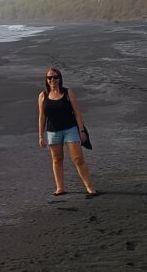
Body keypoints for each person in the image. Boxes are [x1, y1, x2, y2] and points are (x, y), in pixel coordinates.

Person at [38, 67, 98, 197]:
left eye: (55, 77)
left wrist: (81, 130)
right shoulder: (43, 96)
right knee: (57, 159)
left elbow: (77, 113)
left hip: (70, 129)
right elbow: (42, 117)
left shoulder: (68, 93)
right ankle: (60, 188)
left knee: (78, 158)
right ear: (46, 80)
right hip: (53, 132)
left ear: (60, 79)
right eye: (49, 77)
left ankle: (90, 187)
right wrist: (40, 135)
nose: (52, 79)